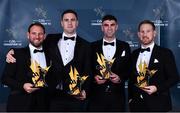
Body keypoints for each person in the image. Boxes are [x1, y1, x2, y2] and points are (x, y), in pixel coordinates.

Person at [5, 9, 91, 112]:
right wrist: (11, 51)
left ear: (77, 23)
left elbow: (88, 71)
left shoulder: (86, 45)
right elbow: (33, 46)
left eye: (72, 20)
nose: (69, 23)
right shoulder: (50, 39)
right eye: (66, 20)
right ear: (61, 23)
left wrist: (85, 90)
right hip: (52, 97)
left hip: (76, 98)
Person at [128, 20, 179, 112]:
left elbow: (174, 78)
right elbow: (131, 79)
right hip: (137, 106)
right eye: (142, 32)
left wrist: (157, 88)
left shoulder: (165, 53)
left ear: (154, 33)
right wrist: (130, 99)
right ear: (139, 34)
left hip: (158, 104)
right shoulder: (134, 54)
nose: (145, 34)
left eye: (148, 31)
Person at [1, 22, 51, 111]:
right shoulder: (16, 54)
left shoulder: (51, 55)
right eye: (34, 33)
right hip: (20, 104)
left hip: (43, 104)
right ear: (28, 35)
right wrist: (22, 86)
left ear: (44, 36)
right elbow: (5, 78)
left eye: (40, 34)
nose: (37, 36)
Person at [88, 14, 131, 111]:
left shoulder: (125, 46)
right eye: (106, 25)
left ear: (116, 27)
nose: (109, 28)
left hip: (117, 97)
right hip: (96, 97)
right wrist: (94, 77)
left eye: (112, 25)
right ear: (102, 28)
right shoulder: (92, 46)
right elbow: (87, 68)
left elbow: (129, 69)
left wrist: (120, 78)